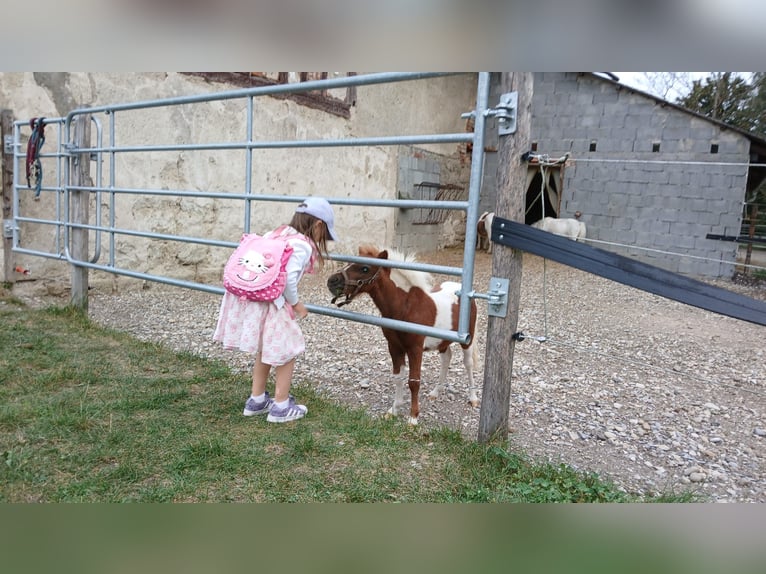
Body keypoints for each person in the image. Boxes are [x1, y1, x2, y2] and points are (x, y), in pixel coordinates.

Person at [213, 197, 338, 422]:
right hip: (274, 305)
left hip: (254, 301)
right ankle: (281, 406)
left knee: (265, 349)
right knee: (287, 350)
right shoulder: (300, 245)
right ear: (318, 225)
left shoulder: (275, 233)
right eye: (325, 234)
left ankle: (257, 400)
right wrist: (296, 303)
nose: (323, 240)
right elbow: (288, 279)